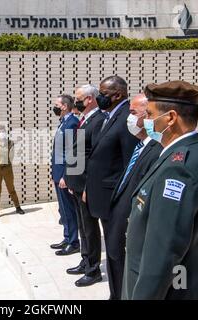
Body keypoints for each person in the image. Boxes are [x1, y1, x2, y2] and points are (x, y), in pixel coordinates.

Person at [122, 80, 198, 300]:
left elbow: (163, 251)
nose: (145, 122)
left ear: (171, 118)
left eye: (150, 115)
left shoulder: (178, 168)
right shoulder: (191, 152)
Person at [81, 76, 139, 287]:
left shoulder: (125, 119)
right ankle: (115, 293)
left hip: (114, 199)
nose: (100, 98)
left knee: (116, 252)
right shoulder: (110, 115)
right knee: (113, 252)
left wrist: (124, 201)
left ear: (118, 95)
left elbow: (129, 164)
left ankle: (121, 293)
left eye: (104, 94)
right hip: (103, 196)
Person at [105, 94, 163, 300]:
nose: (128, 118)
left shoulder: (156, 149)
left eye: (132, 113)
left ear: (148, 116)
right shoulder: (139, 145)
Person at [63, 85, 105, 285]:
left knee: (90, 228)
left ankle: (93, 269)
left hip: (87, 185)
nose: (76, 101)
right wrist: (71, 180)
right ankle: (85, 259)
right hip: (77, 183)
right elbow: (77, 153)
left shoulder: (98, 121)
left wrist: (89, 186)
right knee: (82, 226)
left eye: (79, 98)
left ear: (89, 99)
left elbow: (96, 158)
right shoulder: (84, 119)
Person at [50, 95, 80, 255]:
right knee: (63, 209)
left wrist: (65, 176)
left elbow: (73, 153)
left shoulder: (72, 123)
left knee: (69, 209)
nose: (54, 107)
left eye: (57, 104)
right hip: (58, 172)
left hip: (63, 175)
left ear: (64, 106)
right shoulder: (64, 123)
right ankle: (67, 237)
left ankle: (74, 241)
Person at [0, 125, 25, 220]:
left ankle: (18, 207)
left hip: (7, 168)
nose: (1, 133)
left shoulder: (10, 143)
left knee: (11, 188)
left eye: (3, 131)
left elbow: (12, 155)